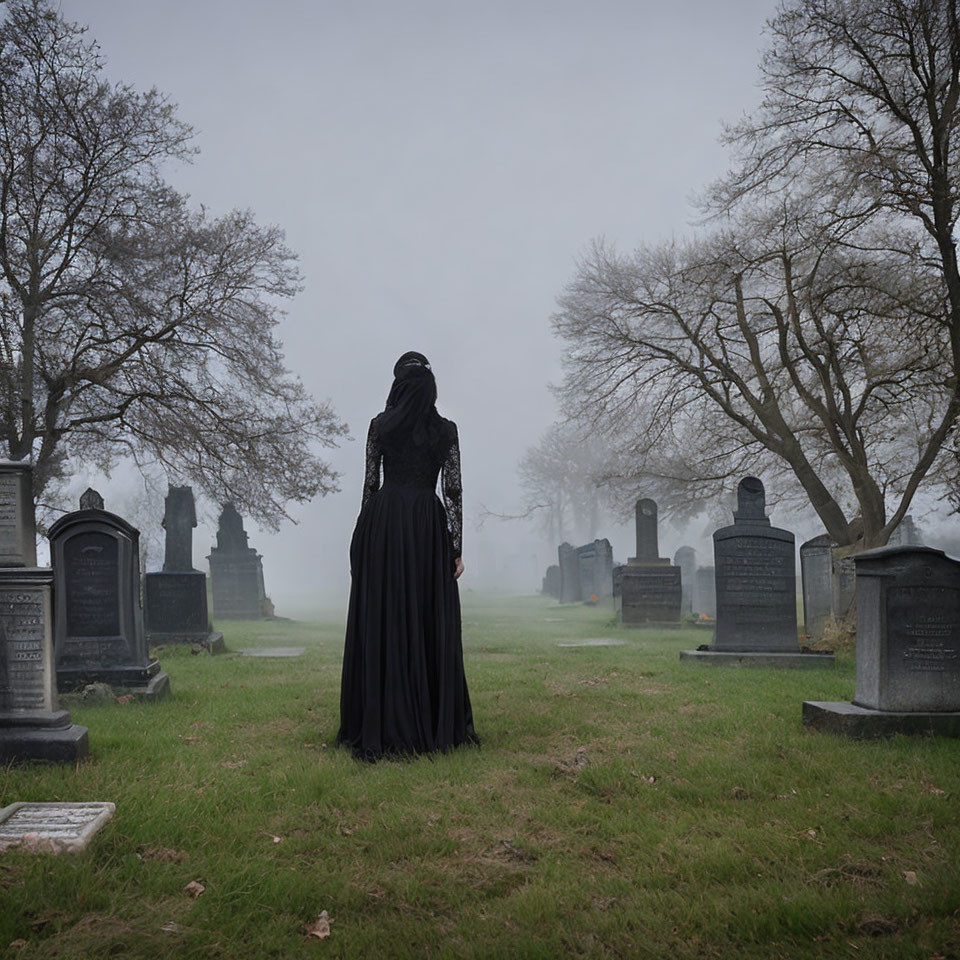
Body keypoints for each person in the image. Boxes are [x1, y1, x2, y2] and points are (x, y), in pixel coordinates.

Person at [337, 351, 478, 759]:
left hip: (384, 524)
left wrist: (361, 541)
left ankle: (384, 717)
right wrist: (456, 549)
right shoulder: (445, 430)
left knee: (386, 616)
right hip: (426, 526)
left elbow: (369, 487)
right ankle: (430, 720)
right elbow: (453, 492)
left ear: (397, 384)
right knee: (425, 616)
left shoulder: (380, 427)